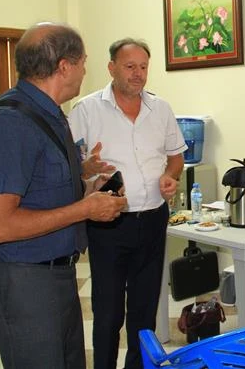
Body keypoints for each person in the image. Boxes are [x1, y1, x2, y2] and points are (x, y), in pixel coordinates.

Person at [0, 23, 127, 368]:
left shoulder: (52, 115)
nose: (86, 70)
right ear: (64, 66)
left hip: (57, 275)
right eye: (84, 61)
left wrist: (87, 186)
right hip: (23, 281)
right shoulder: (9, 125)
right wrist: (85, 209)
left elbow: (42, 192)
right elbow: (0, 226)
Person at [68, 38, 186, 369]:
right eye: (130, 66)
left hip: (152, 220)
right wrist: (87, 170)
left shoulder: (160, 108)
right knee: (106, 314)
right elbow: (69, 167)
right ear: (111, 68)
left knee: (144, 310)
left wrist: (170, 177)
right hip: (108, 224)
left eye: (144, 67)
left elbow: (175, 158)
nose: (138, 74)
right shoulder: (87, 110)